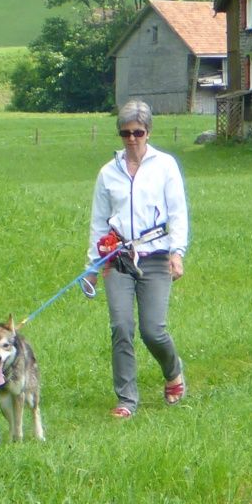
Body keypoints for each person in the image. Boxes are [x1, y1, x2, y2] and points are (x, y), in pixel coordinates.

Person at [88, 100, 188, 418]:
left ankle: (173, 372)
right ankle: (127, 400)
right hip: (118, 256)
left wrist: (177, 252)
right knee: (121, 326)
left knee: (152, 329)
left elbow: (178, 212)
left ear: (148, 132)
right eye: (125, 133)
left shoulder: (165, 165)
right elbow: (99, 221)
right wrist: (92, 265)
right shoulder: (107, 173)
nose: (131, 139)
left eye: (138, 132)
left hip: (155, 254)